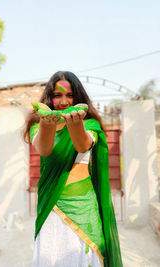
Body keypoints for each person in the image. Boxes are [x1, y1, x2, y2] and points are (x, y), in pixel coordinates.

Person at [24, 71, 123, 267]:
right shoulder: (40, 124)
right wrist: (47, 124)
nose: (63, 101)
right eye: (57, 95)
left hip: (85, 208)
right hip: (53, 207)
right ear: (50, 98)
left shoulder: (90, 124)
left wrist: (76, 123)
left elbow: (83, 145)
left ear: (78, 97)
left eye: (70, 95)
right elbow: (44, 149)